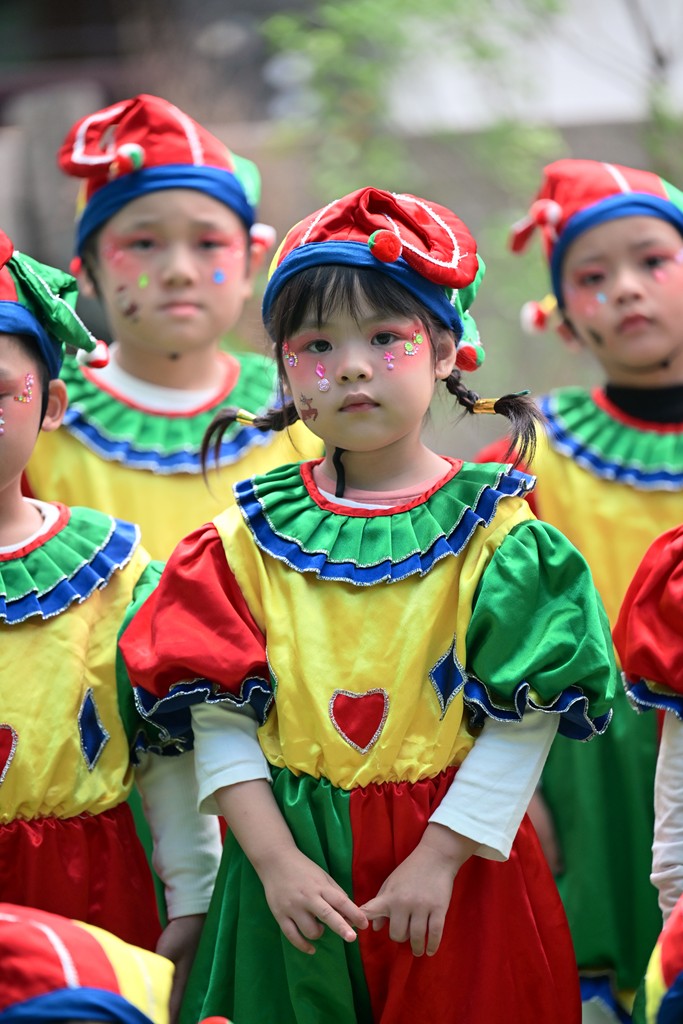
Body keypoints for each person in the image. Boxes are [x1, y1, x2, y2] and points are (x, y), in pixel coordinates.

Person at [119, 186, 619, 1024]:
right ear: (283, 371)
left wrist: (440, 856)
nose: (350, 366)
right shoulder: (238, 543)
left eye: (386, 338)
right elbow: (217, 720)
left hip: (457, 875)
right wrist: (273, 861)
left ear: (446, 351)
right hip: (290, 874)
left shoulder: (500, 537)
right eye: (316, 345)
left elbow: (521, 724)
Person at [477, 157, 683, 1021]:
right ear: (562, 318)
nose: (625, 289)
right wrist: (510, 794)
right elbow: (472, 633)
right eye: (592, 278)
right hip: (584, 782)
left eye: (652, 261)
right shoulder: (529, 459)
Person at [0, 234, 220, 1013]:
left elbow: (167, 753)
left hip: (88, 889)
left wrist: (195, 894)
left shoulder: (111, 571)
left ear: (53, 405)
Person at [24, 93, 321, 562]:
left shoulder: (306, 409)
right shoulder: (37, 422)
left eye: (208, 243)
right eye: (143, 243)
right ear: (88, 271)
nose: (179, 271)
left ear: (251, 262)